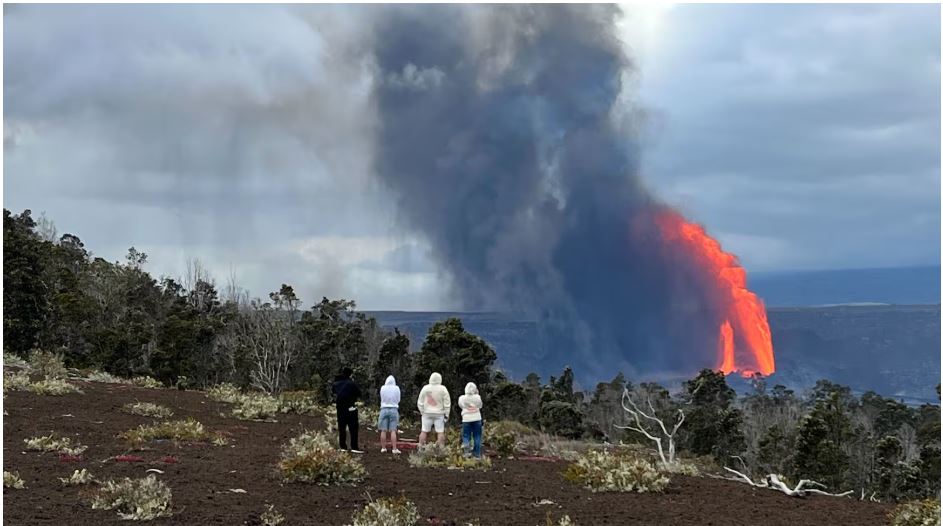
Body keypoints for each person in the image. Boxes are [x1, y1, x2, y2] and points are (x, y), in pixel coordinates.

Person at [331, 367, 363, 453]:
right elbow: (359, 393)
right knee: (353, 428)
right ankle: (354, 447)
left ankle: (343, 446)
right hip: (351, 408)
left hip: (340, 408)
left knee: (342, 428)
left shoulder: (336, 383)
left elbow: (333, 392)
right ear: (350, 374)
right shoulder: (351, 384)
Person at [416, 372, 450, 447]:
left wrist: (422, 411)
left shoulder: (425, 388)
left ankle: (420, 447)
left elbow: (420, 401)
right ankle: (441, 449)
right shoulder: (443, 389)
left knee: (424, 431)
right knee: (440, 432)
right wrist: (447, 414)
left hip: (427, 413)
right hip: (439, 413)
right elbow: (447, 403)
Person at [458, 382, 484, 459]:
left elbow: (461, 405)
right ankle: (477, 454)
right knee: (477, 436)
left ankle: (466, 452)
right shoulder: (477, 397)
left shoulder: (462, 398)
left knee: (466, 435)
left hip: (466, 419)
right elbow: (480, 405)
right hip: (477, 418)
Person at [378, 375, 401, 454]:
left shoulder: (382, 388)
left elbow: (381, 398)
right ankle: (394, 449)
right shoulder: (397, 388)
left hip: (384, 409)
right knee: (393, 430)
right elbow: (398, 399)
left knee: (383, 430)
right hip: (394, 409)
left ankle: (383, 448)